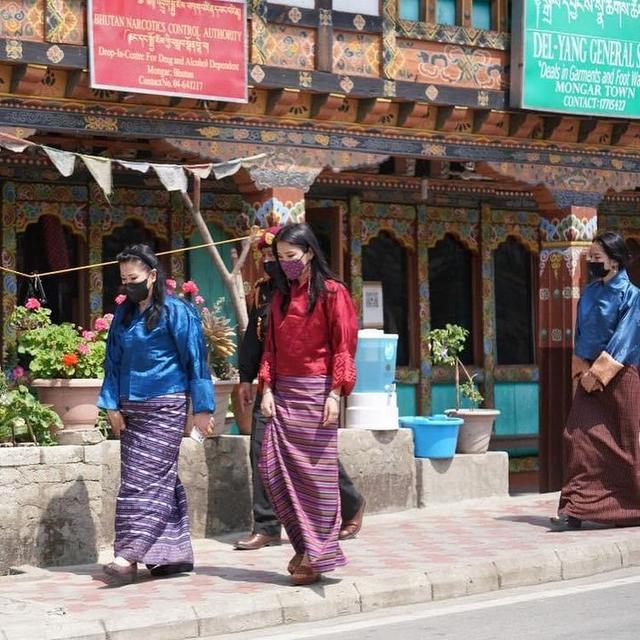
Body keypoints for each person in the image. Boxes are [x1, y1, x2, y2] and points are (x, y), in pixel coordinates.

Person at [235, 226, 366, 551]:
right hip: (279, 390)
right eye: (275, 256)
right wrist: (258, 384)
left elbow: (343, 347)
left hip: (316, 391)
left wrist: (335, 393)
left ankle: (319, 546)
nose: (279, 263)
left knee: (314, 467)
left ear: (309, 252)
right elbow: (266, 347)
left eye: (287, 256)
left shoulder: (333, 294)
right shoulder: (275, 294)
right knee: (268, 458)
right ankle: (272, 528)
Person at [98, 244, 215, 583]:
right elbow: (113, 362)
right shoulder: (124, 315)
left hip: (167, 404)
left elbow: (196, 360)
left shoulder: (178, 312)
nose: (128, 284)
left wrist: (203, 409)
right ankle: (170, 555)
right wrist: (111, 405)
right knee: (153, 479)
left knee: (141, 483)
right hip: (131, 408)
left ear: (152, 275)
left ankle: (127, 556)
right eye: (123, 279)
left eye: (133, 278)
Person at [550, 231, 640, 531]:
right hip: (587, 375)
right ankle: (574, 511)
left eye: (596, 258)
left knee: (624, 446)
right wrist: (581, 372)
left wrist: (599, 375)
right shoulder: (588, 292)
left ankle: (627, 510)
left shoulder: (632, 295)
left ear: (614, 261)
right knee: (578, 437)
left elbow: (625, 340)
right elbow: (580, 335)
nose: (591, 262)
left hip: (620, 376)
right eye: (590, 258)